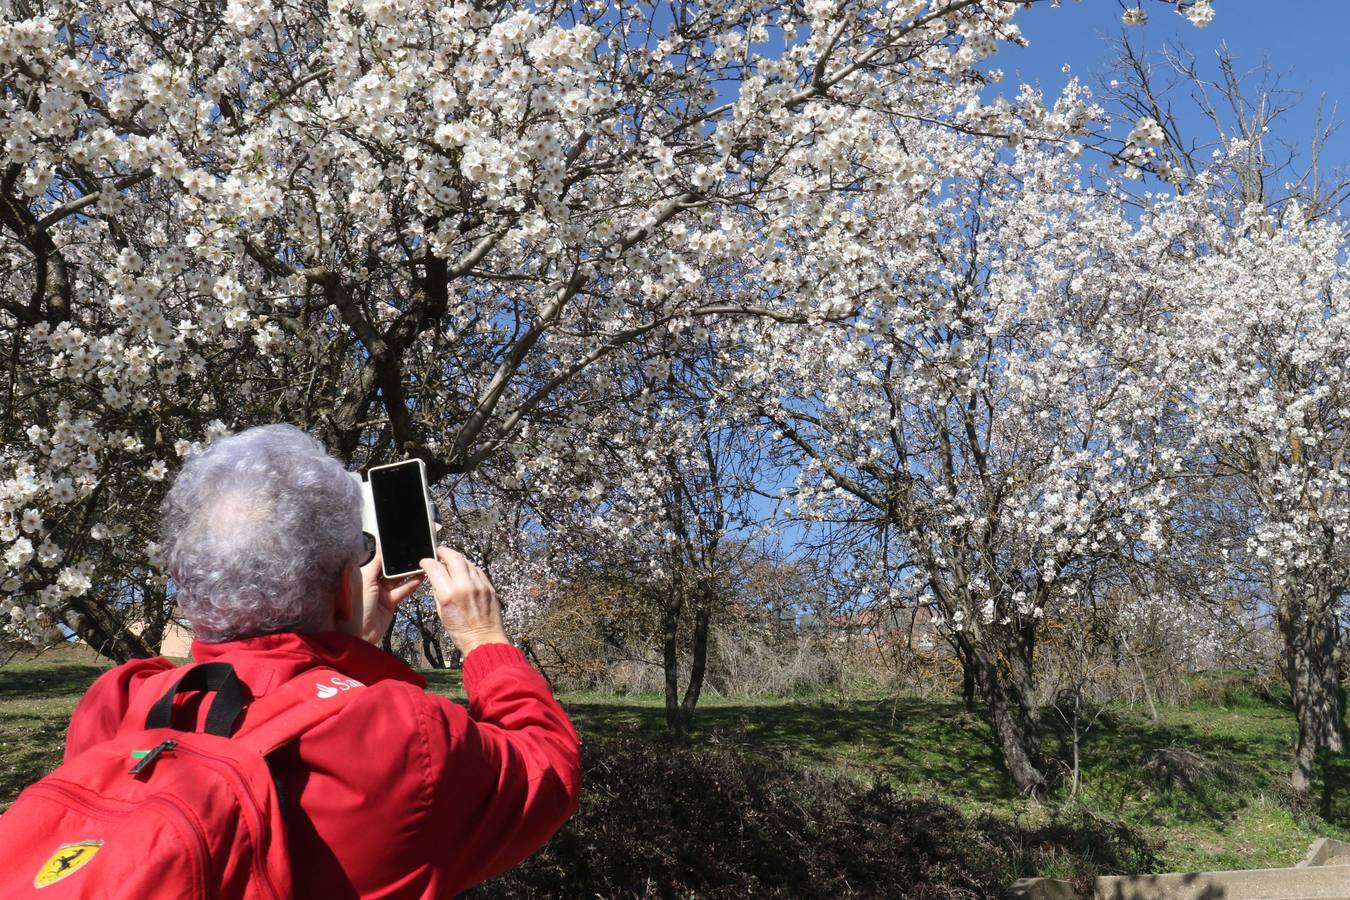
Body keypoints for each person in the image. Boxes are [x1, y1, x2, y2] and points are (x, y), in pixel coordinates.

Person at [63, 425, 581, 898]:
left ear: (192, 580)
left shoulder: (118, 700)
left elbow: (273, 697)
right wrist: (482, 637)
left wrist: (348, 643)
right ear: (340, 587)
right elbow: (549, 771)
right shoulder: (404, 732)